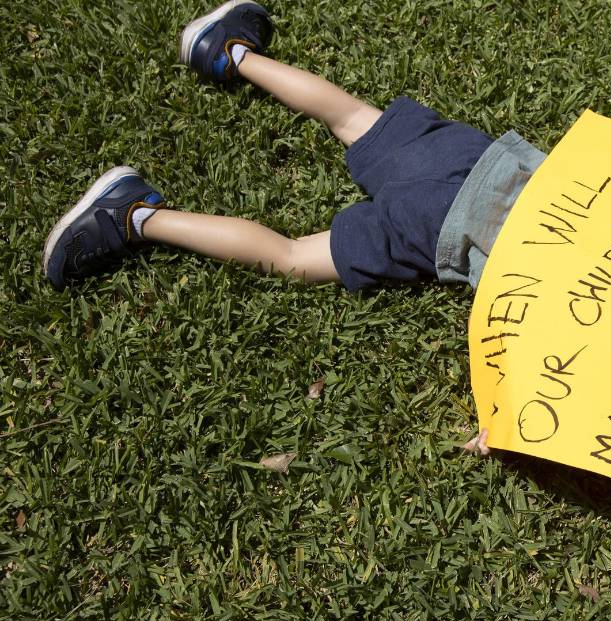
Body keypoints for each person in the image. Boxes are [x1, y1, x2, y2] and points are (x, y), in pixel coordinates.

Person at [41, 0, 506, 454]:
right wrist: (502, 420)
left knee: (352, 116)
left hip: (489, 167)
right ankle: (133, 216)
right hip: (444, 229)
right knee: (293, 255)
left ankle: (228, 51)